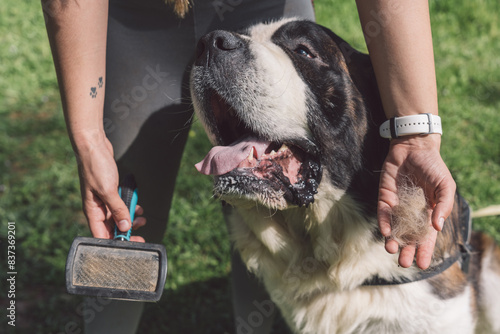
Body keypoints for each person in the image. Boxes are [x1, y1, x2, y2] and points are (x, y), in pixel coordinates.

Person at [42, 0, 455, 333]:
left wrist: (415, 134)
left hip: (265, 12)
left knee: (261, 244)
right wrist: (89, 139)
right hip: (133, 26)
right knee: (118, 225)